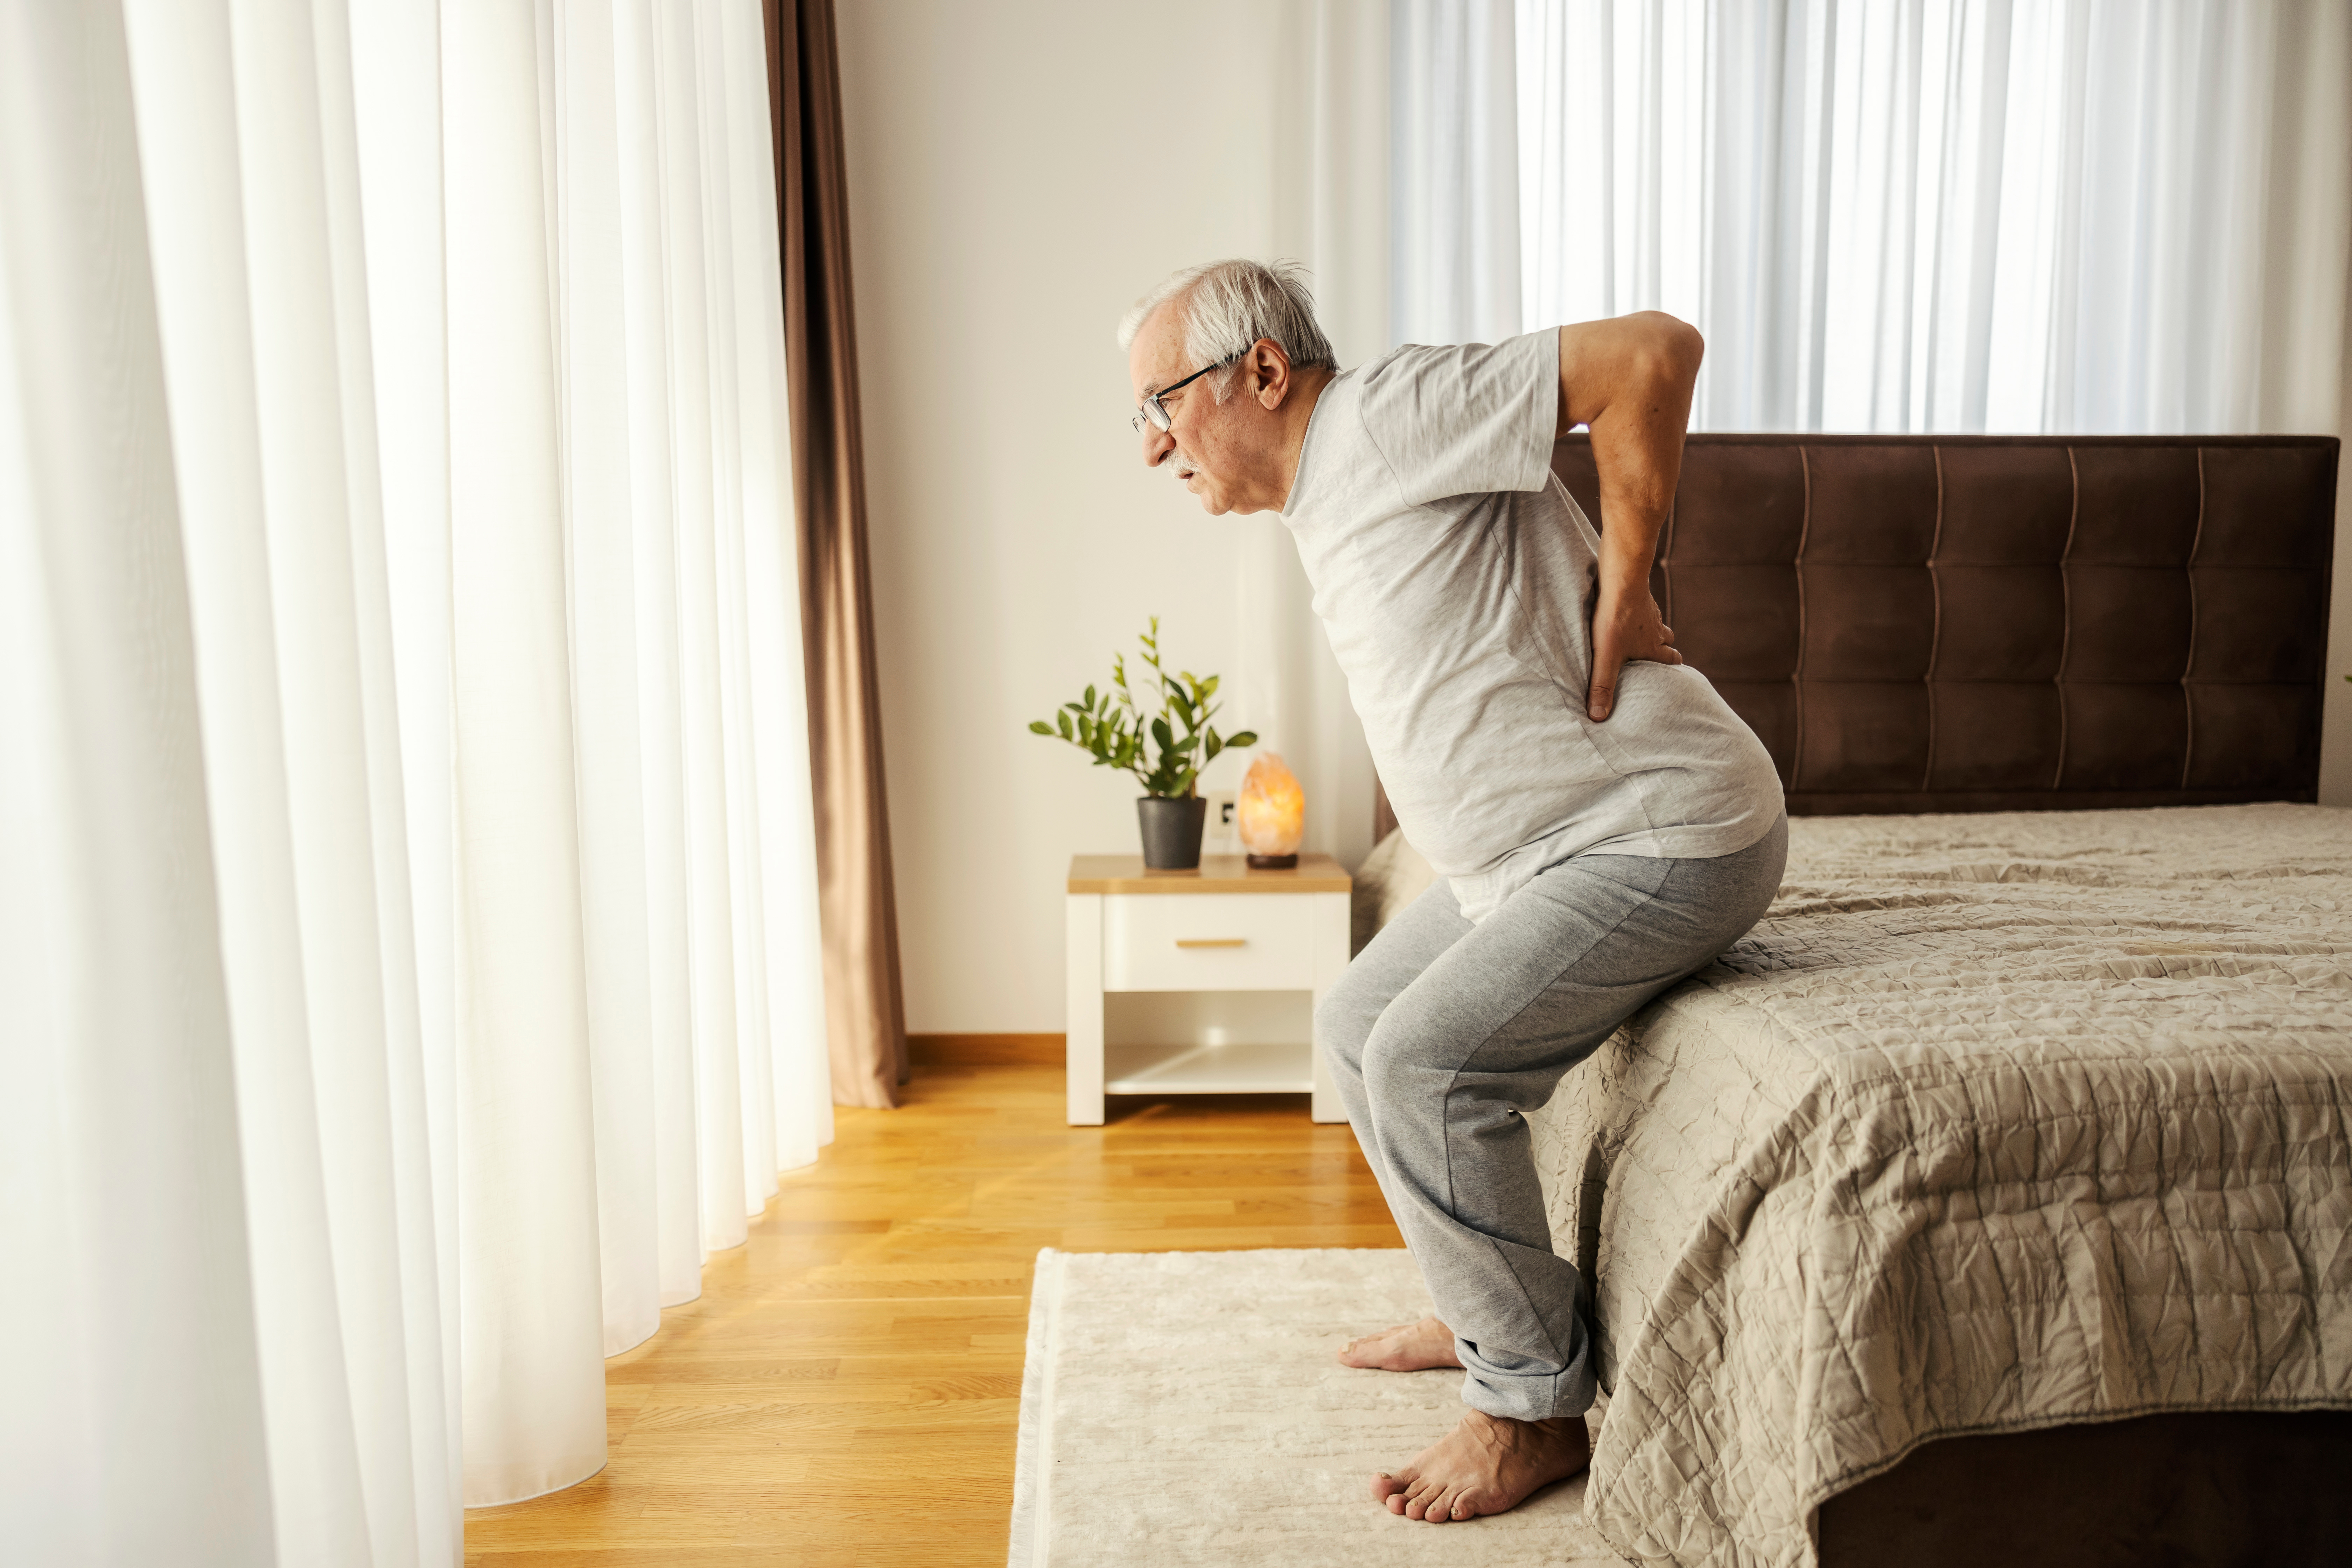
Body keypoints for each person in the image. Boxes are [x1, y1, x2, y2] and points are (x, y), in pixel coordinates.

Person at [1118, 259, 1787, 1524]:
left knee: (1428, 1063)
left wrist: (1632, 583)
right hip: (1535, 856)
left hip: (1660, 833)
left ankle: (1529, 1409)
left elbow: (1652, 352)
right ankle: (1489, 1303)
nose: (1154, 449)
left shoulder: (1383, 416)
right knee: (1358, 1024)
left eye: (1162, 406)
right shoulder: (1338, 481)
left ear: (1262, 373)